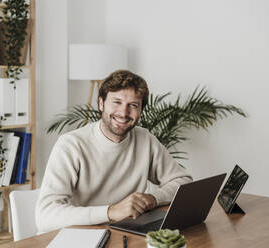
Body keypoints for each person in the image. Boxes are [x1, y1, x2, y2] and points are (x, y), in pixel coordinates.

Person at [35, 70, 192, 233]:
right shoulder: (71, 145)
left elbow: (183, 181)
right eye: (116, 102)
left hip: (123, 233)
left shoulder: (145, 139)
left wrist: (154, 198)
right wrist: (110, 211)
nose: (123, 113)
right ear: (101, 103)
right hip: (77, 236)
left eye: (133, 105)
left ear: (141, 110)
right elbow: (45, 217)